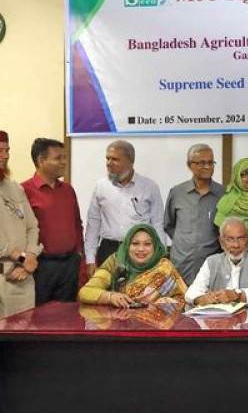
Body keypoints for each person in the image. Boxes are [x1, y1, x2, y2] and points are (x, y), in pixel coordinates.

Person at [85, 140, 166, 277]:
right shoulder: (101, 186)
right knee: (108, 289)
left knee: (138, 289)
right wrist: (90, 259)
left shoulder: (149, 186)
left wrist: (161, 257)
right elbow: (93, 224)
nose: (109, 163)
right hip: (108, 250)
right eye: (107, 158)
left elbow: (158, 223)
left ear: (130, 161)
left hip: (140, 251)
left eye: (115, 159)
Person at [21, 138, 84, 305]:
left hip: (70, 264)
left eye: (65, 157)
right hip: (41, 265)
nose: (64, 162)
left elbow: (77, 223)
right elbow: (20, 232)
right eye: (58, 158)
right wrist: (23, 260)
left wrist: (79, 253)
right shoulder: (24, 191)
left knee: (67, 315)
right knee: (39, 316)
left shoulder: (68, 190)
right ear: (41, 160)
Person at [79, 223, 187, 307]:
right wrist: (110, 297)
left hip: (156, 325)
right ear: (127, 245)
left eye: (147, 244)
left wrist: (166, 304)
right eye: (135, 243)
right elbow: (86, 292)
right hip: (119, 323)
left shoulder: (164, 267)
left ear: (155, 247)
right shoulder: (116, 262)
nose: (141, 249)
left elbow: (183, 300)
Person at [163, 144, 225, 284]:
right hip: (181, 263)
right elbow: (169, 225)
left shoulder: (222, 194)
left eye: (210, 162)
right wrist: (185, 243)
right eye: (202, 162)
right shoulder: (177, 193)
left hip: (211, 264)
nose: (207, 167)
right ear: (189, 165)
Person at [186, 217, 248, 305]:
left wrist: (238, 296)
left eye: (241, 239)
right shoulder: (211, 262)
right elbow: (191, 292)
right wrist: (201, 299)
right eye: (229, 239)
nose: (236, 245)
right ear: (221, 242)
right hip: (219, 315)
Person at [0, 131, 41, 318]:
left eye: (7, 150)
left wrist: (29, 256)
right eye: (0, 151)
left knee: (23, 331)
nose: (5, 156)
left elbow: (32, 226)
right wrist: (21, 256)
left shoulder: (14, 187)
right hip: (4, 271)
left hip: (22, 275)